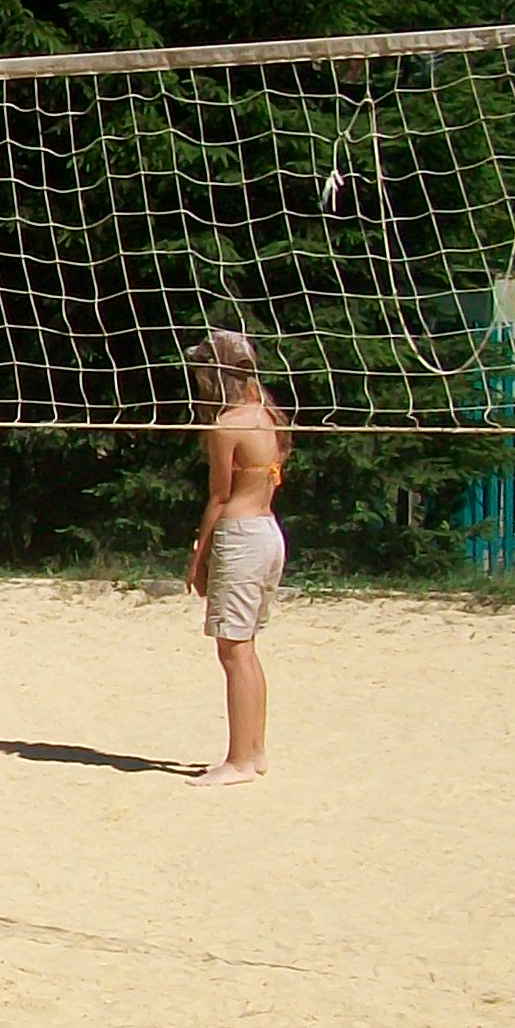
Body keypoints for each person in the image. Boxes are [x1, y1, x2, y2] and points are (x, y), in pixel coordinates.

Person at [184, 327, 290, 787]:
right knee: (245, 648)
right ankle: (255, 751)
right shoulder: (267, 415)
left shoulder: (226, 425)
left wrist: (197, 557)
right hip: (268, 532)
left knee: (233, 650)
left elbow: (219, 497)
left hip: (242, 535)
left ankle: (239, 761)